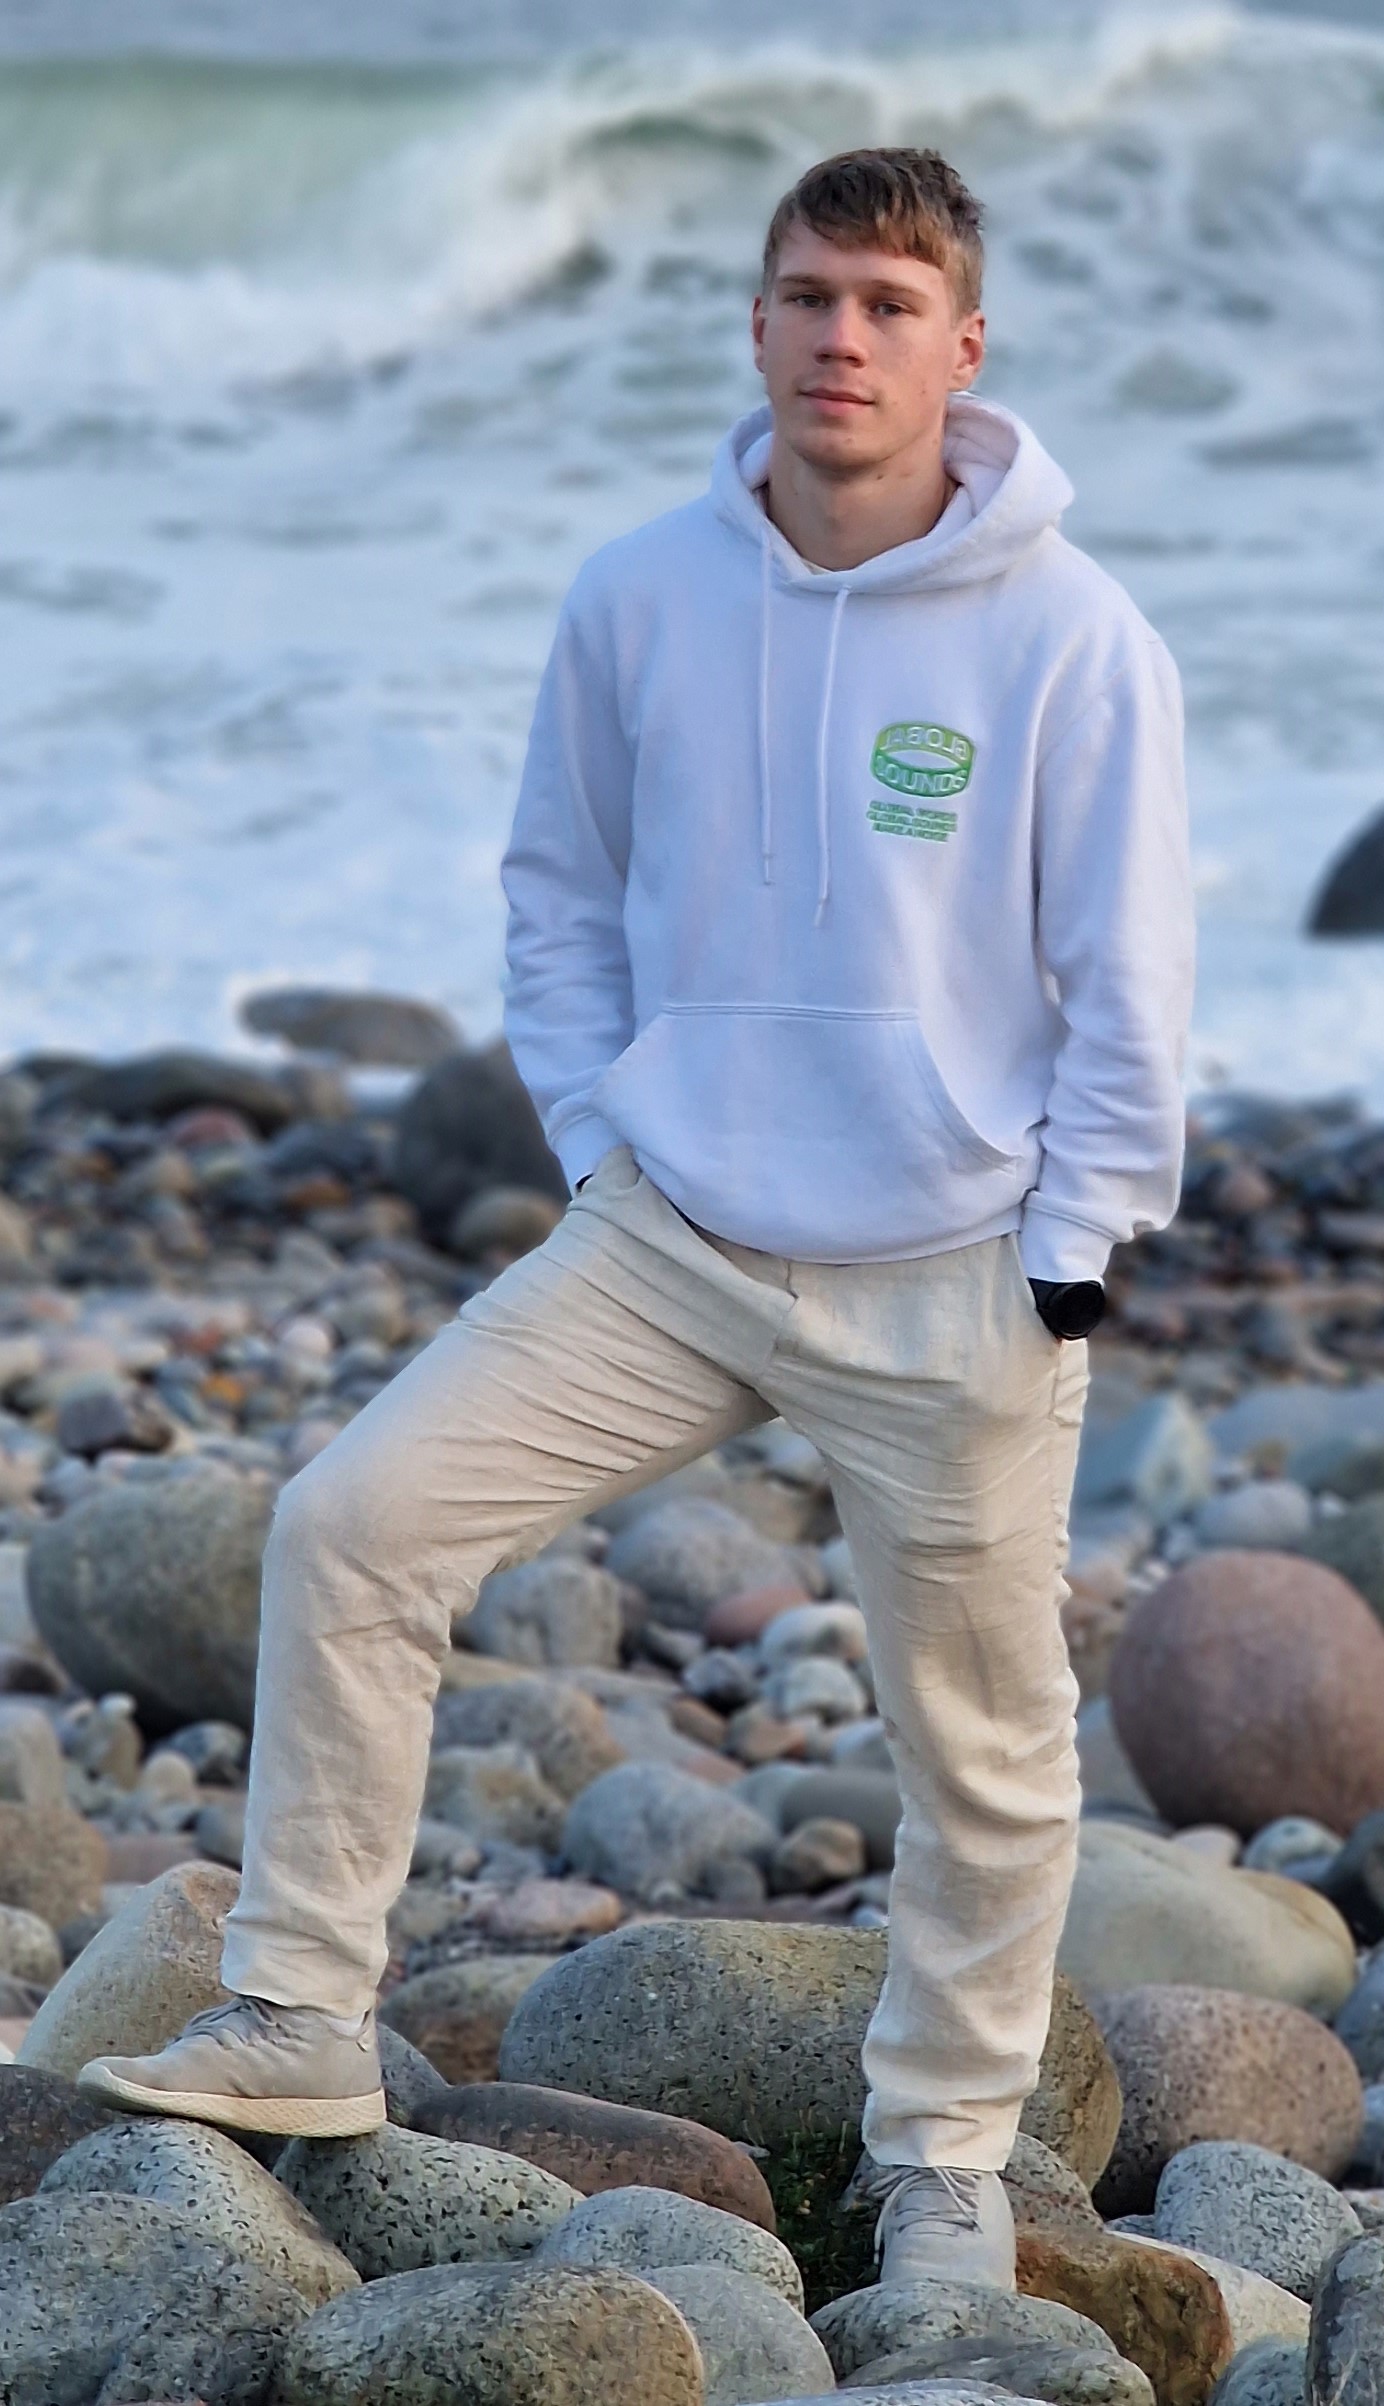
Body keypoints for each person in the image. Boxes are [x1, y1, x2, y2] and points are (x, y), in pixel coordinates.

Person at [78, 147, 1194, 2290]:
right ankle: (300, 2011)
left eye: (888, 303)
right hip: (668, 1240)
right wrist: (603, 1139)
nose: (843, 337)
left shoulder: (1074, 637)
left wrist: (1074, 1248)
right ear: (757, 325)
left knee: (983, 1747)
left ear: (965, 347)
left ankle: (947, 2167)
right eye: (809, 296)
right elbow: (557, 891)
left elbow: (1132, 978)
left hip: (950, 1269)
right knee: (350, 1524)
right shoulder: (638, 596)